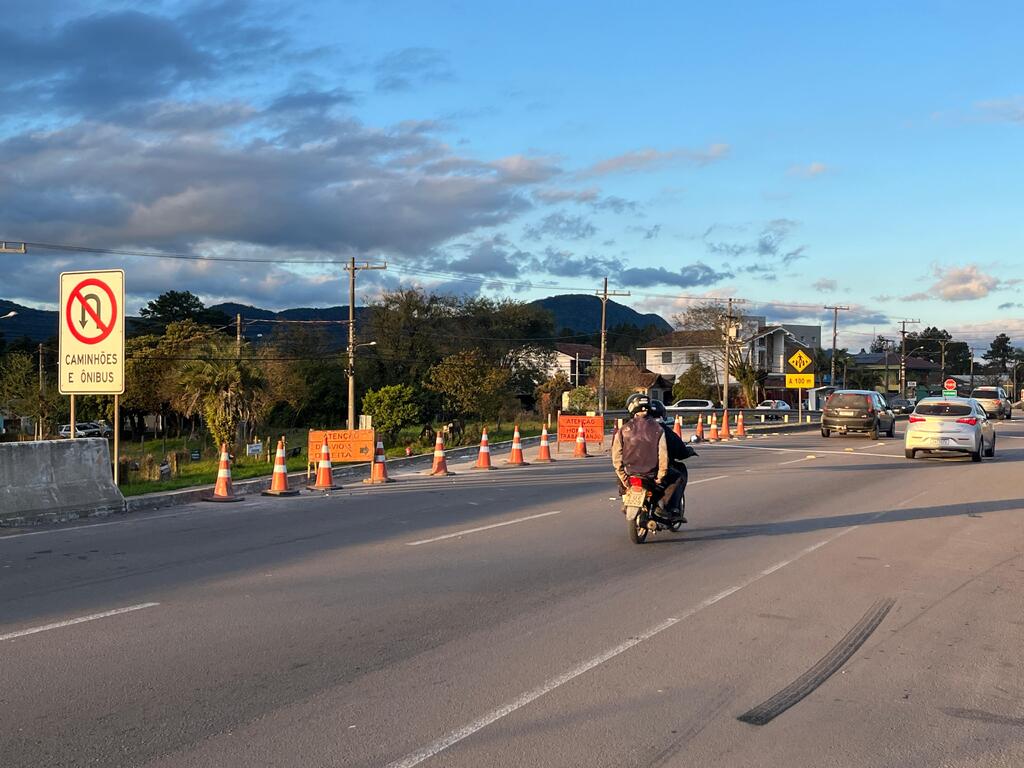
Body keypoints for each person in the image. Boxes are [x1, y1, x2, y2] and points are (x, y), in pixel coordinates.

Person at [611, 394, 675, 519]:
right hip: (651, 474)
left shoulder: (624, 429)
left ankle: (626, 499)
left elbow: (616, 456)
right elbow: (663, 455)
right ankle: (660, 507)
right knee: (670, 481)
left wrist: (622, 476)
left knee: (621, 482)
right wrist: (661, 476)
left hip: (629, 473)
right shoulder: (658, 429)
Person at [648, 400, 692, 523]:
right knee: (678, 476)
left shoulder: (631, 429)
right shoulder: (663, 431)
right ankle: (671, 507)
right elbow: (679, 449)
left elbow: (618, 455)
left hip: (634, 468)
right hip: (655, 468)